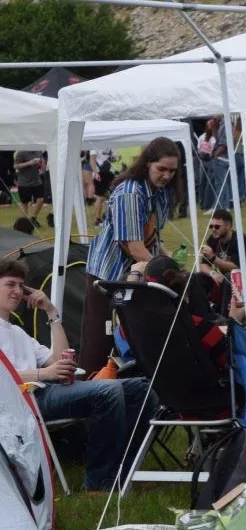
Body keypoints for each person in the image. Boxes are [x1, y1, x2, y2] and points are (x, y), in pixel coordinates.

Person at [0, 259, 157, 493]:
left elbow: (59, 359)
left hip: (43, 391)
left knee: (142, 388)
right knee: (108, 390)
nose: (17, 291)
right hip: (22, 401)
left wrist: (51, 312)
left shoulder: (17, 332)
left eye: (21, 286)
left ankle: (123, 471)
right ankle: (98, 482)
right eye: (10, 284)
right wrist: (45, 373)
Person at [83, 137, 182, 373]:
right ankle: (86, 396)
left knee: (133, 343)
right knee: (99, 345)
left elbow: (153, 239)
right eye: (162, 169)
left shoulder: (161, 193)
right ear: (147, 163)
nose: (167, 176)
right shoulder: (130, 193)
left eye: (172, 171)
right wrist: (165, 272)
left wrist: (173, 265)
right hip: (108, 275)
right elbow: (134, 246)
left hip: (135, 276)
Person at [13, 149, 46, 228]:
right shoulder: (21, 152)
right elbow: (15, 166)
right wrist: (29, 163)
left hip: (36, 181)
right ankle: (25, 224)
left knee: (41, 199)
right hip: (24, 182)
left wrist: (41, 165)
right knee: (25, 203)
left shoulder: (38, 151)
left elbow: (42, 161)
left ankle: (33, 218)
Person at [89, 147, 117, 226]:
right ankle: (97, 220)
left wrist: (115, 158)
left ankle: (108, 217)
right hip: (99, 173)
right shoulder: (94, 145)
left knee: (110, 196)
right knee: (99, 197)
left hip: (110, 172)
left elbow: (112, 160)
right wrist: (95, 173)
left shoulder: (111, 145)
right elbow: (92, 160)